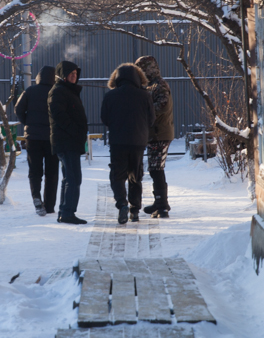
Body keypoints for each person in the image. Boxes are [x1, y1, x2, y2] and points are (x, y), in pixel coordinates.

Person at [100, 62, 155, 224]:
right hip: (138, 141)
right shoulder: (145, 95)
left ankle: (122, 204)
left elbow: (105, 119)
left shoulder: (110, 95)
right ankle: (135, 210)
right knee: (135, 176)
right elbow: (151, 120)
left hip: (118, 142)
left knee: (117, 175)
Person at [14, 66, 59, 216]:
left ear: (39, 77)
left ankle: (36, 197)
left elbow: (18, 109)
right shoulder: (57, 91)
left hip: (33, 138)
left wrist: (28, 122)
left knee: (35, 171)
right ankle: (50, 205)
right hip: (52, 138)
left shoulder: (30, 91)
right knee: (52, 173)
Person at [48, 60, 89, 224]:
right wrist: (76, 131)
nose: (74, 77)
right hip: (67, 142)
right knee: (73, 178)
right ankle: (67, 213)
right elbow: (60, 116)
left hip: (68, 141)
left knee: (69, 178)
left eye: (75, 74)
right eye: (71, 74)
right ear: (63, 76)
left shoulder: (67, 91)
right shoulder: (59, 91)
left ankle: (65, 211)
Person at [136, 55, 174, 218]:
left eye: (141, 70)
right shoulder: (151, 86)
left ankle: (162, 206)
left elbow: (163, 106)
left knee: (156, 169)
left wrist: (146, 111)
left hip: (160, 133)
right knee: (154, 169)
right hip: (155, 133)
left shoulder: (159, 85)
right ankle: (160, 202)